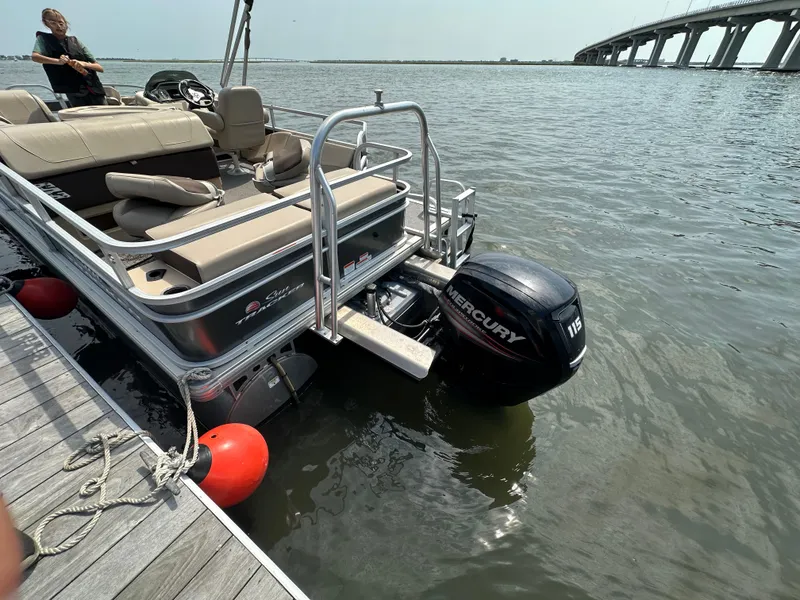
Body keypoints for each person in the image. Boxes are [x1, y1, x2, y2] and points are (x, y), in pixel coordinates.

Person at [31, 8, 107, 107]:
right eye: (53, 23)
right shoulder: (43, 40)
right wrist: (58, 61)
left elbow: (99, 68)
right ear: (46, 24)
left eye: (61, 23)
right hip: (73, 90)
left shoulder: (75, 41)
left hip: (94, 89)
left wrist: (83, 63)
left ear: (66, 24)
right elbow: (35, 57)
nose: (59, 26)